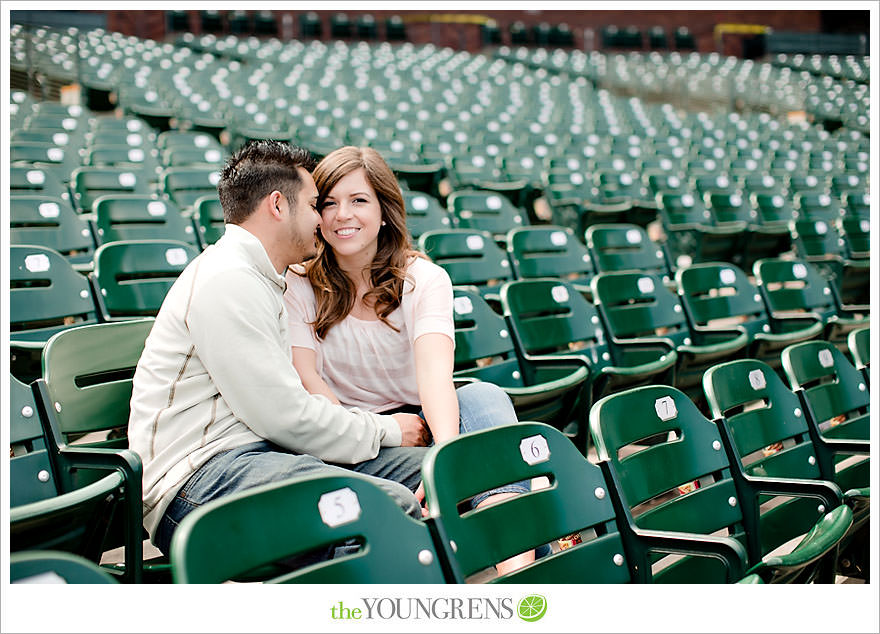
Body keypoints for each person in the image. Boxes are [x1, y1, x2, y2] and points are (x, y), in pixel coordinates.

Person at [127, 140, 431, 557]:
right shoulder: (227, 279)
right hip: (201, 478)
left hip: (268, 455)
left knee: (439, 474)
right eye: (313, 206)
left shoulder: (263, 276)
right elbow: (284, 417)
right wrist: (389, 428)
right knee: (384, 508)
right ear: (277, 205)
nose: (321, 222)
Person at [284, 146, 536, 574]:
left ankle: (518, 574)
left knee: (485, 397)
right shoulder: (299, 283)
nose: (342, 214)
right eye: (328, 203)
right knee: (488, 459)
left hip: (420, 419)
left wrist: (445, 461)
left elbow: (435, 379)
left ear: (385, 211)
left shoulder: (424, 278)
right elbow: (310, 382)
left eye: (359, 200)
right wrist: (371, 432)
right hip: (352, 430)